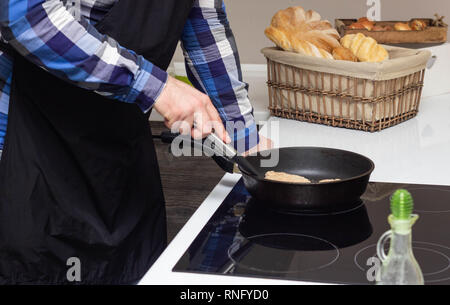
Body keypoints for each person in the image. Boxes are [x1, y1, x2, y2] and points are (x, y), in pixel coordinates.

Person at [0, 0, 270, 284]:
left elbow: (207, 34)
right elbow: (27, 18)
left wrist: (246, 141)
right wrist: (156, 87)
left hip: (124, 173)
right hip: (33, 159)